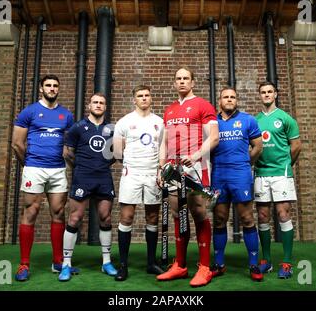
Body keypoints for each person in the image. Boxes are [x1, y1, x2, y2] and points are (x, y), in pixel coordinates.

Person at [157, 67, 219, 287]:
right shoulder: (170, 109)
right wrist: (160, 167)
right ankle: (180, 265)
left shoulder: (203, 105)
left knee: (198, 212)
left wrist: (196, 156)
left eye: (185, 78)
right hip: (173, 170)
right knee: (176, 212)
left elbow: (214, 138)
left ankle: (204, 268)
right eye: (178, 79)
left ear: (192, 82)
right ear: (174, 83)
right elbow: (164, 142)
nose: (182, 82)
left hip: (196, 167)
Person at [11, 74, 76, 282]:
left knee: (58, 213)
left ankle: (58, 262)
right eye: (48, 85)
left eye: (55, 85)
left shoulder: (66, 115)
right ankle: (24, 264)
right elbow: (17, 144)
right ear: (41, 89)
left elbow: (69, 147)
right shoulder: (29, 112)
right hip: (34, 169)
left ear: (58, 89)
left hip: (57, 170)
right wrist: (28, 164)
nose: (51, 88)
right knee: (31, 212)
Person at [58, 93, 118, 282]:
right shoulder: (78, 127)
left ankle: (106, 262)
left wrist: (100, 166)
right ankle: (66, 264)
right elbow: (67, 153)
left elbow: (116, 154)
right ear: (89, 105)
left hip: (103, 177)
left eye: (101, 103)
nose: (98, 105)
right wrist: (82, 166)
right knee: (74, 218)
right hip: (82, 177)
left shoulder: (111, 129)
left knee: (106, 218)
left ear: (105, 107)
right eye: (95, 102)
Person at [210, 87, 263, 281]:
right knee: (219, 218)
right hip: (218, 175)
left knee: (247, 218)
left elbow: (258, 146)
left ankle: (253, 265)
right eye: (226, 97)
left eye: (233, 97)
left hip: (240, 175)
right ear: (220, 100)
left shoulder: (248, 120)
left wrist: (245, 163)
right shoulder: (212, 122)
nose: (229, 99)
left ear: (237, 100)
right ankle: (219, 263)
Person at [113, 85, 165, 281]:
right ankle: (123, 265)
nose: (144, 98)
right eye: (140, 96)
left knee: (153, 217)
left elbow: (163, 149)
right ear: (134, 99)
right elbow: (118, 153)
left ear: (151, 98)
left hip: (153, 173)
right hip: (132, 173)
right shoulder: (124, 122)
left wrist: (159, 171)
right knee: (126, 217)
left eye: (147, 95)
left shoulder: (159, 122)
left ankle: (151, 263)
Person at [254, 81, 301, 279]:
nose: (266, 95)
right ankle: (266, 261)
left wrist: (286, 165)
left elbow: (297, 146)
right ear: (260, 95)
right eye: (263, 92)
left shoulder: (285, 118)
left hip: (281, 173)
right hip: (261, 172)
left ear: (275, 94)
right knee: (263, 216)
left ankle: (287, 262)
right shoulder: (254, 120)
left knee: (283, 214)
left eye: (270, 92)